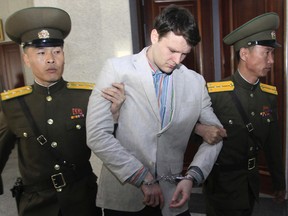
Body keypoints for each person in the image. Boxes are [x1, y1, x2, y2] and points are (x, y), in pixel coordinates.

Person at [86, 5, 224, 216]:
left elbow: (217, 134)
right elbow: (97, 135)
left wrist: (192, 177)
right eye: (172, 50)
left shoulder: (195, 82)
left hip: (174, 198)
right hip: (126, 196)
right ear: (154, 36)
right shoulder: (117, 69)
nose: (177, 61)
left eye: (184, 54)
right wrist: (142, 177)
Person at [0, 7, 125, 216]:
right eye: (41, 53)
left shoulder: (86, 97)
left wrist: (115, 116)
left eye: (57, 51)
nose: (51, 59)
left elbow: (110, 145)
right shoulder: (12, 105)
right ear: (26, 60)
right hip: (36, 205)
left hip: (82, 200)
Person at [195, 12, 286, 216]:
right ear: (244, 54)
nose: (271, 60)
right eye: (266, 52)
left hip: (250, 185)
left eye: (273, 53)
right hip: (221, 186)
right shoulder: (215, 93)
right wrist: (200, 129)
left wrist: (279, 182)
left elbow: (273, 143)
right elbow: (187, 131)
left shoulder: (269, 96)